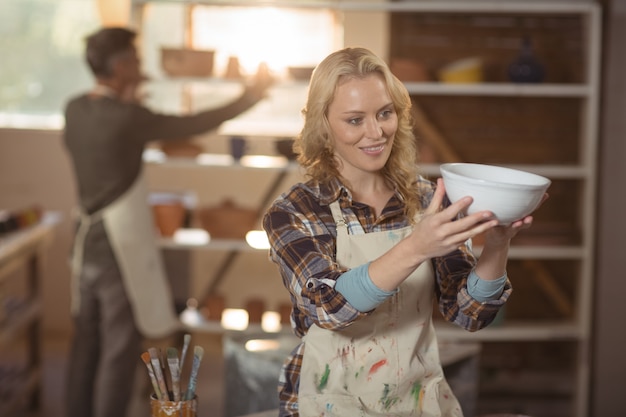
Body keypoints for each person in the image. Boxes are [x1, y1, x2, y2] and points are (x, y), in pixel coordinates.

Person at [262, 47, 544, 417]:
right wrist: (417, 246)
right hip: (333, 401)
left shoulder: (425, 198)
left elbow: (470, 314)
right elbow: (329, 309)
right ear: (323, 126)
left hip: (416, 401)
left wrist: (496, 244)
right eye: (354, 120)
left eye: (384, 113)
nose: (376, 132)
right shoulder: (295, 211)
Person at [63, 27, 271, 417]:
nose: (142, 66)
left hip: (84, 241)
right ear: (122, 66)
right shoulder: (128, 118)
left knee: (85, 343)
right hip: (116, 246)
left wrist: (130, 97)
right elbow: (193, 124)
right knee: (119, 349)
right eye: (136, 60)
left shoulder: (75, 109)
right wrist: (250, 96)